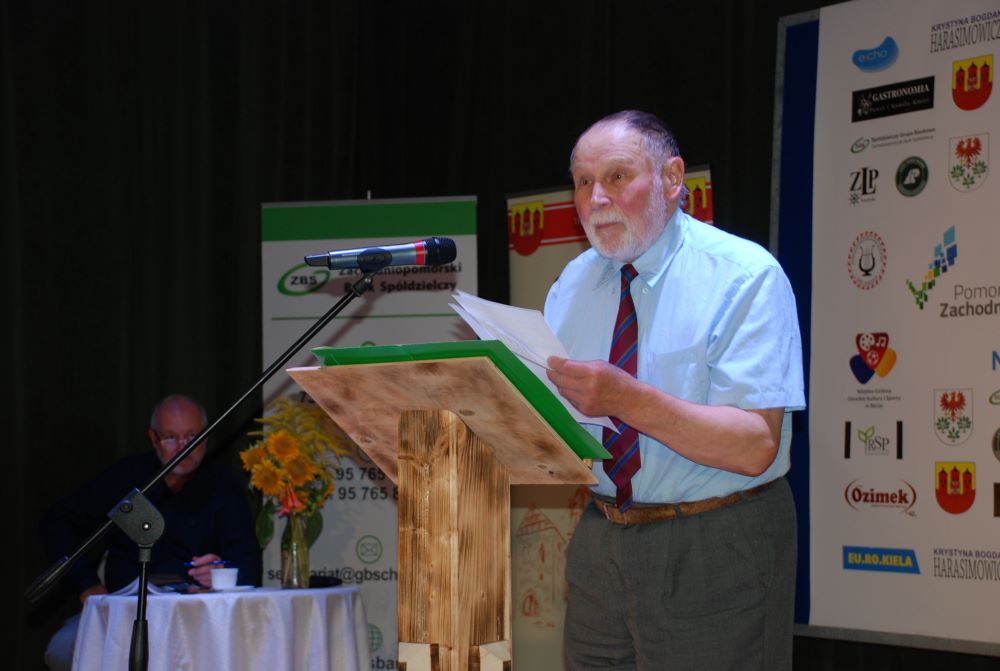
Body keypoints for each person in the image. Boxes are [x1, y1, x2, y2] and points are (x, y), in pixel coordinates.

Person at [544, 110, 805, 670]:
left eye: (616, 177)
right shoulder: (571, 285)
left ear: (671, 178)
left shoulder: (744, 276)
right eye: (583, 182)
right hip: (600, 541)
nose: (596, 199)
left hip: (716, 540)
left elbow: (755, 444)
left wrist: (625, 398)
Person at [41, 393, 262, 671]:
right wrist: (86, 584)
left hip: (196, 612)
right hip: (124, 609)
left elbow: (249, 562)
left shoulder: (224, 486)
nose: (183, 447)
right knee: (62, 649)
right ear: (153, 438)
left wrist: (222, 572)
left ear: (206, 438)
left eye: (192, 437)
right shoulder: (127, 476)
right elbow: (58, 522)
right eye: (171, 437)